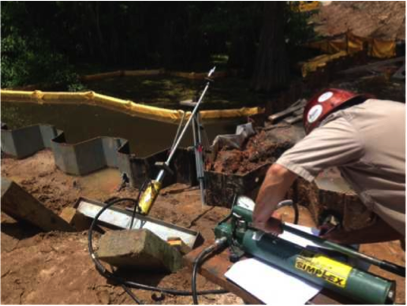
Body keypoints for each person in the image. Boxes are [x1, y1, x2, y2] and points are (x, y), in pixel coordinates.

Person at [253, 88, 405, 245]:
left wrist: (261, 221)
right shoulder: (391, 108)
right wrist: (348, 238)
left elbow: (280, 171)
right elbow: (400, 220)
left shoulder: (345, 123)